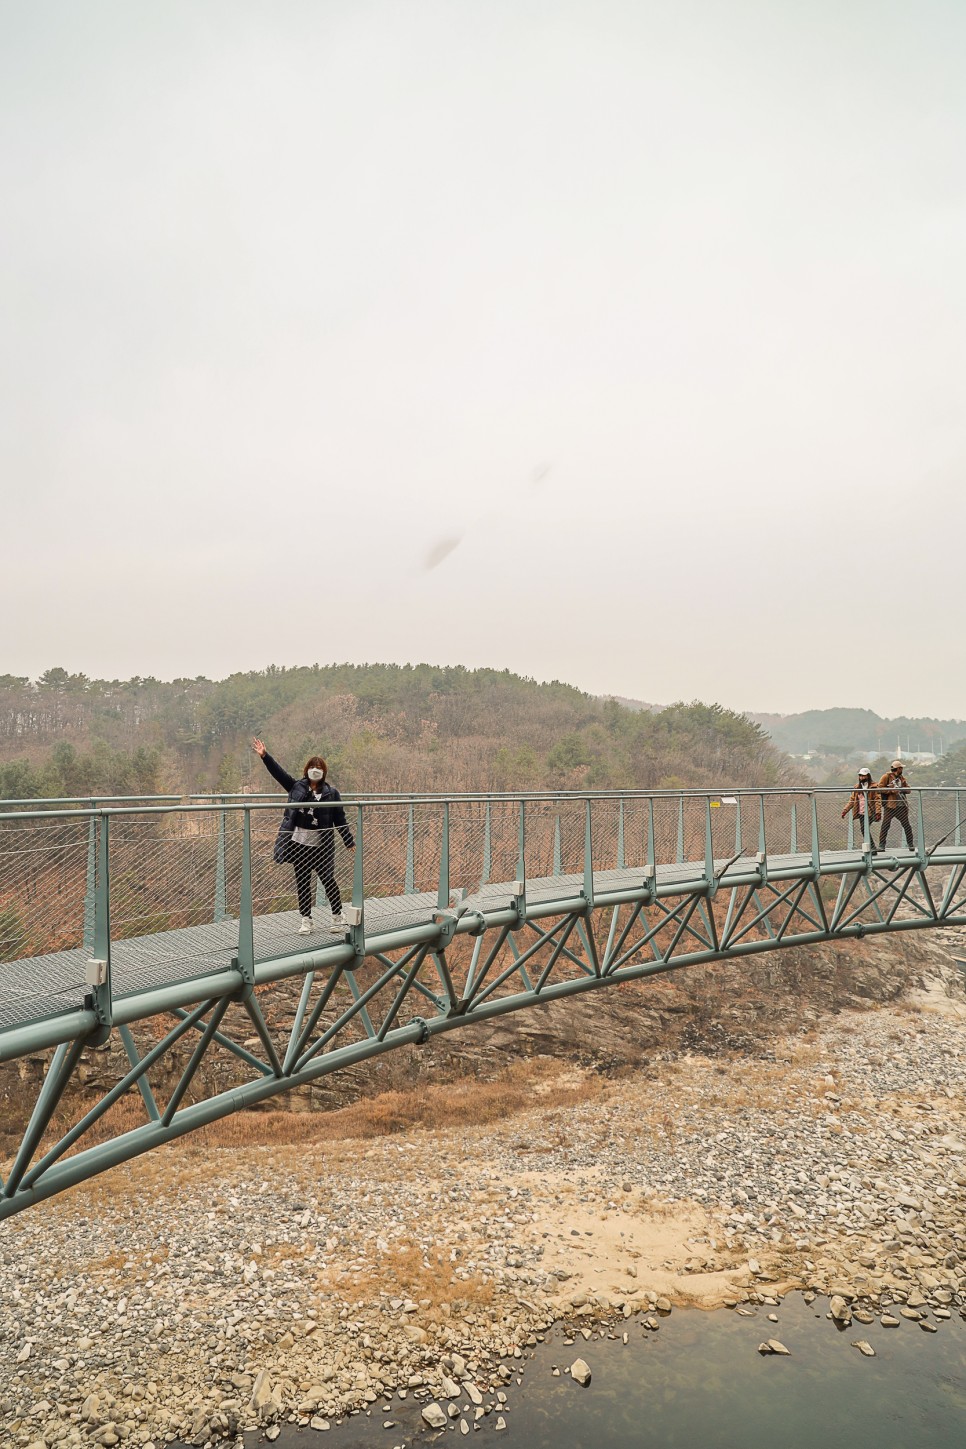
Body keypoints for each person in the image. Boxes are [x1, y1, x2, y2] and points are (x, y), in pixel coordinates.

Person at [252, 738, 354, 934]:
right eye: (312, 766)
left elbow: (339, 818)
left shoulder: (331, 794)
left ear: (324, 771)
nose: (315, 769)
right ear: (307, 769)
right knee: (302, 882)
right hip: (299, 844)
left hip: (321, 846)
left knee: (328, 880)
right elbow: (278, 774)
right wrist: (265, 756)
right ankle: (306, 919)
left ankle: (337, 917)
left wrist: (348, 840)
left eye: (319, 767)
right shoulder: (297, 787)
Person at [878, 759, 915, 851]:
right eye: (901, 768)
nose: (902, 770)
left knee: (906, 825)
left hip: (901, 806)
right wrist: (891, 791)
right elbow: (879, 789)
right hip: (890, 806)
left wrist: (902, 789)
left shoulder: (902, 778)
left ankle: (910, 844)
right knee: (885, 825)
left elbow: (908, 789)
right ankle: (881, 845)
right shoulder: (886, 777)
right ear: (898, 768)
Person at [841, 767, 880, 850]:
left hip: (870, 811)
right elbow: (852, 800)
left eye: (864, 776)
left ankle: (872, 847)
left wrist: (878, 812)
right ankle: (872, 847)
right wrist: (845, 810)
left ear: (868, 776)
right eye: (860, 776)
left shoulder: (874, 786)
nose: (862, 778)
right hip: (861, 812)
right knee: (864, 829)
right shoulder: (857, 787)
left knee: (864, 829)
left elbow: (877, 800)